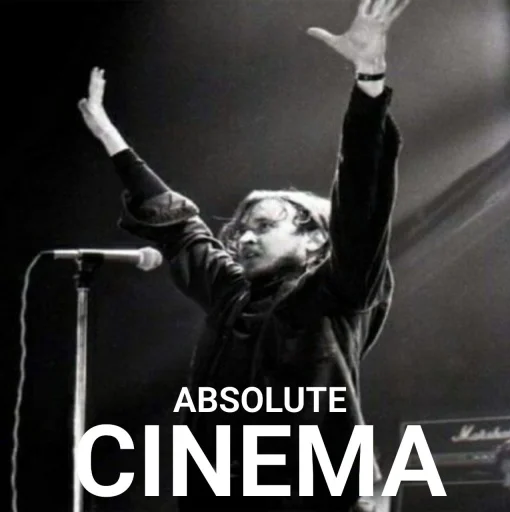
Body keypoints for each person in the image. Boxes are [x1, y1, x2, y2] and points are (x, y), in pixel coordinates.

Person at [78, 0, 409, 510]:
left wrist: (369, 80)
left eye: (265, 226)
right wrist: (110, 138)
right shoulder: (232, 293)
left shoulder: (334, 294)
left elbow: (361, 211)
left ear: (315, 239)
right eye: (241, 231)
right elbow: (180, 226)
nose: (246, 239)